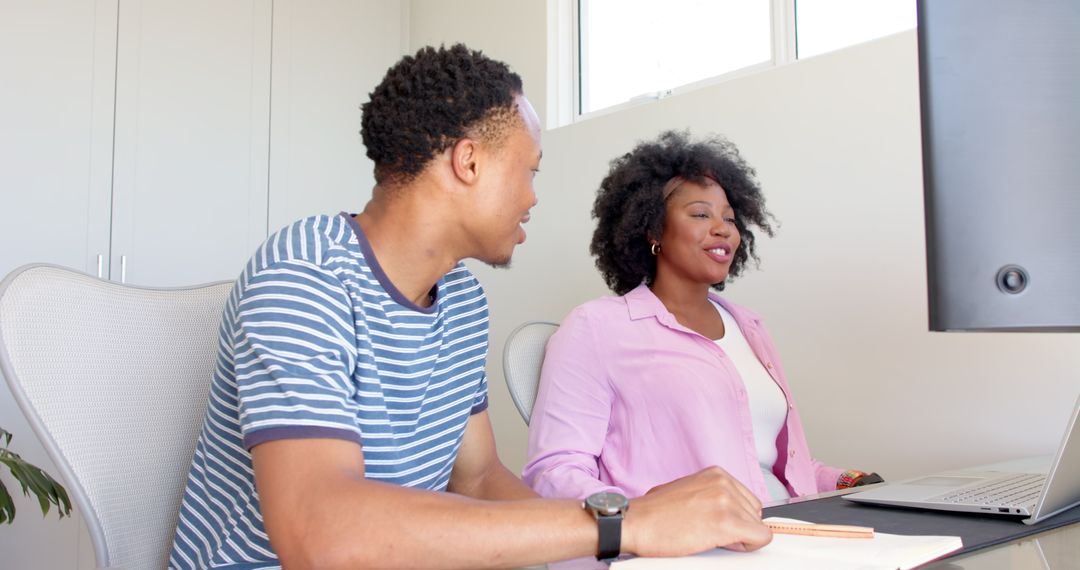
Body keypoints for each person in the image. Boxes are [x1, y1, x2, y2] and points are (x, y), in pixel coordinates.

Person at [169, 47, 771, 570]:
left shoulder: (461, 300)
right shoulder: (304, 276)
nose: (534, 197)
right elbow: (319, 536)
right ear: (469, 161)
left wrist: (616, 553)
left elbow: (479, 480)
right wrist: (623, 523)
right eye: (528, 170)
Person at [523, 131, 880, 505]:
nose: (722, 228)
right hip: (685, 551)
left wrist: (848, 482)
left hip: (789, 533)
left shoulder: (749, 327)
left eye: (729, 217)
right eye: (700, 214)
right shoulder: (597, 327)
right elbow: (555, 472)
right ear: (653, 229)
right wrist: (645, 518)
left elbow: (770, 465)